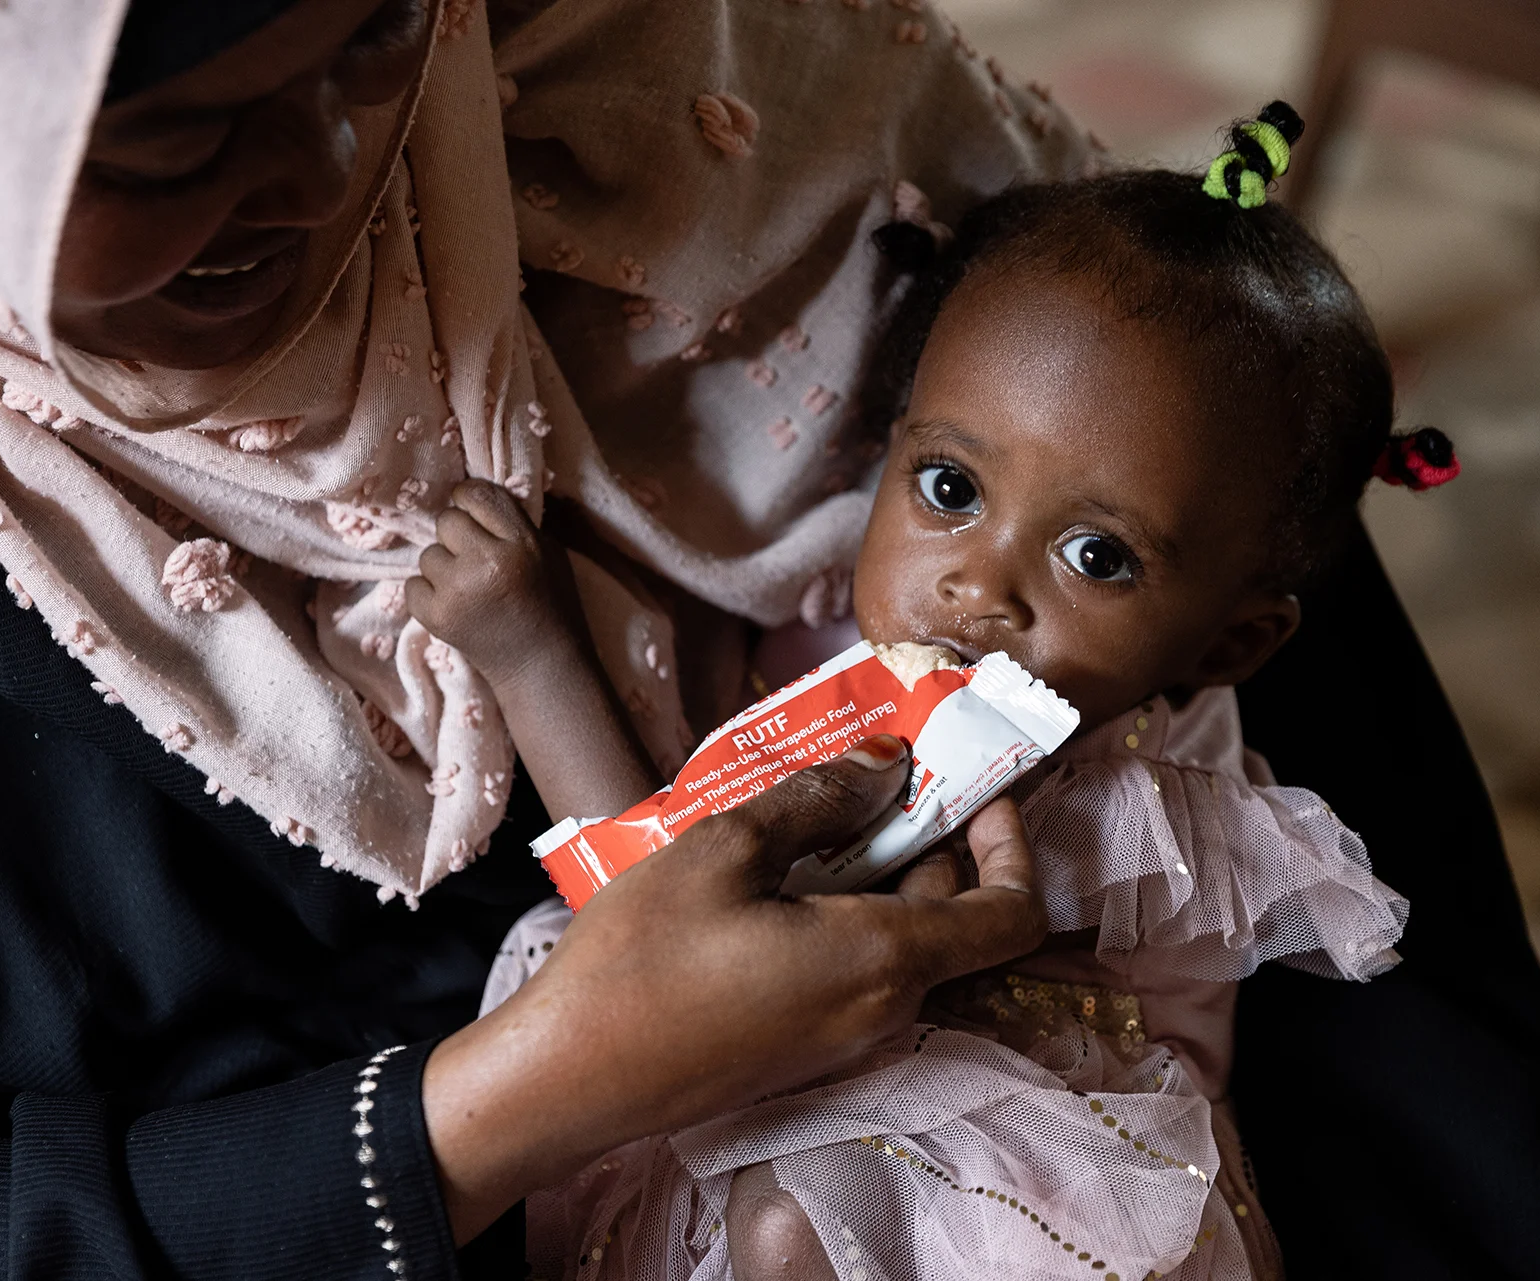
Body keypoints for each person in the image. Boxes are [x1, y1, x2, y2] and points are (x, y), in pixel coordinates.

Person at [0, 2, 1540, 1279]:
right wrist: (530, 1091)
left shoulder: (683, 86)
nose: (323, 168)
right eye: (161, 143)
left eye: (378, 37)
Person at [417, 103, 1445, 1280]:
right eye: (949, 486)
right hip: (746, 1123)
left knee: (791, 1229)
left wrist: (531, 654)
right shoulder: (807, 655)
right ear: (882, 453)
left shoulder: (1121, 807)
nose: (977, 585)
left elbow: (651, 907)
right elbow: (650, 912)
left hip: (1023, 1187)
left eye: (1095, 557)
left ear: (1227, 644)